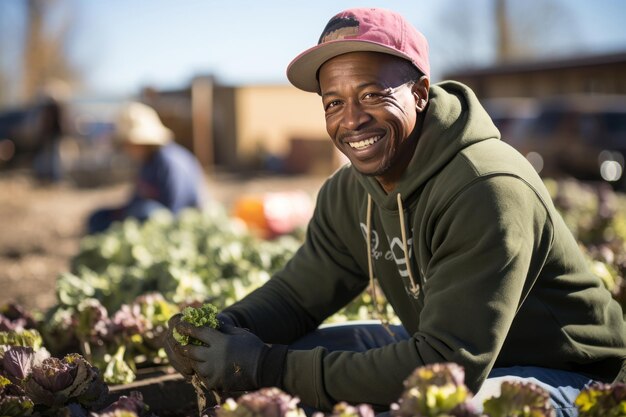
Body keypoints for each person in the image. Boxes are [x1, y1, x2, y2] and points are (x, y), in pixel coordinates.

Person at [164, 7, 626, 416]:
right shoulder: (349, 191)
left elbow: (447, 367)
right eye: (334, 103)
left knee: (435, 406)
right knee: (303, 347)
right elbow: (297, 298)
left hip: (571, 376)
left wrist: (265, 366)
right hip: (452, 355)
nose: (351, 120)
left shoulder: (486, 187)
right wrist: (225, 330)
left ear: (420, 93)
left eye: (371, 94)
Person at [87, 102, 206, 234]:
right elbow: (136, 197)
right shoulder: (148, 161)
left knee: (143, 212)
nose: (126, 149)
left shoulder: (169, 161)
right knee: (98, 217)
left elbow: (175, 209)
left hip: (178, 220)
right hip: (151, 213)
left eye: (128, 143)